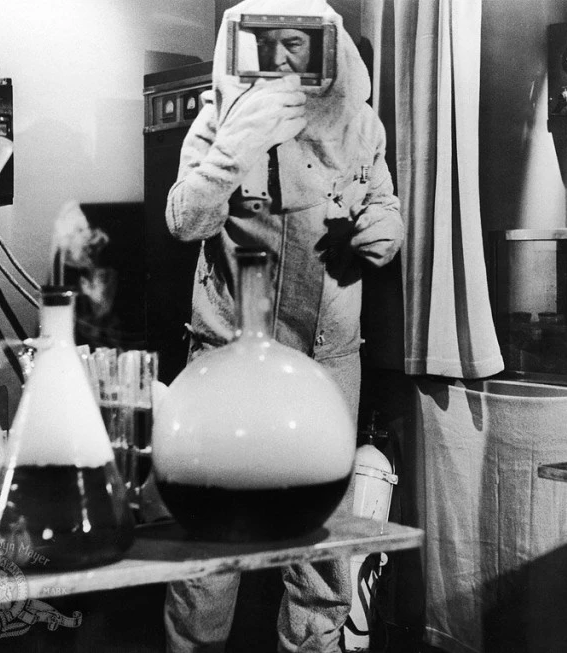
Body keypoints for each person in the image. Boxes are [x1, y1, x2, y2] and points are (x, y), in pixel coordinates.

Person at [162, 1, 403, 651]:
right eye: (268, 43)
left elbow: (382, 201)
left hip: (327, 357)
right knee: (211, 544)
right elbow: (185, 218)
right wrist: (235, 146)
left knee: (322, 550)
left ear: (330, 48)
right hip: (230, 356)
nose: (285, 58)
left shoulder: (359, 125)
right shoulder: (220, 118)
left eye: (300, 43)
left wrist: (383, 227)